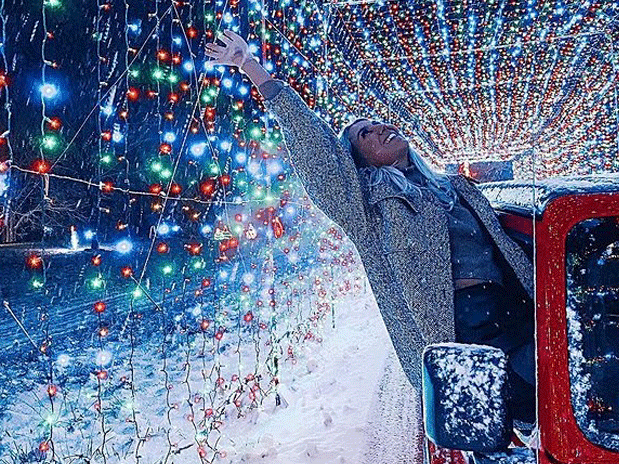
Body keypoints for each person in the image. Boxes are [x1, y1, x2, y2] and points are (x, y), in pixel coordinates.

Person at [205, 30, 535, 422]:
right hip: (462, 334)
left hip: (519, 312)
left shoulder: (453, 187)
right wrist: (250, 67)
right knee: (512, 420)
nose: (380, 128)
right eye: (366, 133)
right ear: (361, 161)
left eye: (379, 123)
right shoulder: (368, 205)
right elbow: (315, 149)